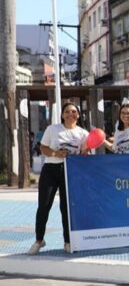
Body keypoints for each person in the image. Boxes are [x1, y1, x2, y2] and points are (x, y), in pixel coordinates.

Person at [28, 102, 90, 255]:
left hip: (70, 172)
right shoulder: (53, 129)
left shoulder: (83, 133)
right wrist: (56, 153)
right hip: (50, 170)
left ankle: (67, 241)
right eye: (67, 111)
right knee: (44, 205)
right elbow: (43, 148)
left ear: (78, 115)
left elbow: (84, 154)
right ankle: (39, 240)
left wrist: (85, 152)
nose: (71, 114)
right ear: (62, 115)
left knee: (66, 208)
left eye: (74, 111)